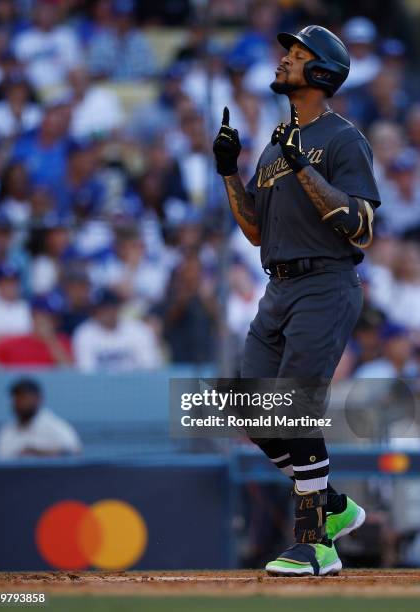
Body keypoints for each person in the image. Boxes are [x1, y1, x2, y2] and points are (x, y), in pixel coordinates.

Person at [213, 25, 381, 576]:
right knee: (247, 406)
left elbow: (360, 226)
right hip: (278, 285)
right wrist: (229, 172)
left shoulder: (341, 138)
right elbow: (256, 231)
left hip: (324, 283)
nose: (284, 59)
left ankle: (315, 545)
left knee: (293, 406)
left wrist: (303, 164)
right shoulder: (274, 144)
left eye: (297, 54)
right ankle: (332, 506)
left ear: (321, 72)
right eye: (288, 52)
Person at [72, 288, 162, 372]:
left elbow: (149, 367)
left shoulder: (138, 330)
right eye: (101, 309)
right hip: (99, 386)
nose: (106, 313)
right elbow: (86, 372)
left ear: (117, 308)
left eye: (109, 308)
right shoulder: (84, 333)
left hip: (135, 385)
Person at [0, 378, 81, 459]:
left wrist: (37, 453)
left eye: (24, 398)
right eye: (16, 398)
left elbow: (74, 452)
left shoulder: (55, 426)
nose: (20, 403)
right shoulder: (7, 430)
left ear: (38, 399)